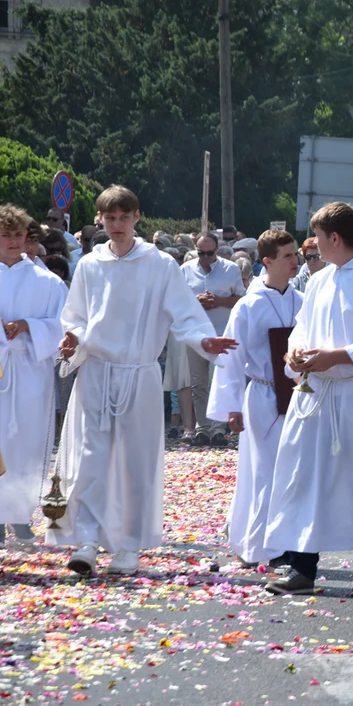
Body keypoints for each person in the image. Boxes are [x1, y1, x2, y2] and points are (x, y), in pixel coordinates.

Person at [49, 185, 236, 576]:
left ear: (137, 217)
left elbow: (183, 313)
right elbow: (76, 316)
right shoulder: (89, 264)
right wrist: (73, 340)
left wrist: (204, 339)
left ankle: (128, 545)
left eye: (123, 217)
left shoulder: (159, 264)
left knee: (135, 463)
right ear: (101, 219)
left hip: (139, 374)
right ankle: (87, 539)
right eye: (109, 218)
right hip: (98, 372)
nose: (116, 225)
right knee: (90, 459)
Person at [264, 202, 353, 597]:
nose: (311, 246)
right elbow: (302, 330)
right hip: (317, 395)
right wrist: (294, 354)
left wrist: (337, 356)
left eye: (316, 237)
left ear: (335, 238)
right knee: (306, 479)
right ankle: (302, 567)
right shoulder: (319, 280)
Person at [207, 230, 303, 566]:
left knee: (293, 471)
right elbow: (232, 356)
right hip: (263, 393)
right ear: (268, 261)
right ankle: (263, 547)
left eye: (295, 255)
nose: (295, 261)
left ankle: (287, 542)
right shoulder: (249, 304)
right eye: (288, 256)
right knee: (266, 472)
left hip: (298, 397)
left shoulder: (301, 300)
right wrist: (232, 407)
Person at [0, 205, 67, 548]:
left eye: (17, 235)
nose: (12, 241)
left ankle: (19, 516)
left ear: (26, 237)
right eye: (5, 234)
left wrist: (28, 325)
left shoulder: (47, 281)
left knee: (25, 443)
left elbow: (65, 325)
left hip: (29, 370)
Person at [181, 231, 246, 445]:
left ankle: (218, 428)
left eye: (210, 253)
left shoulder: (230, 269)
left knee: (218, 381)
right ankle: (203, 427)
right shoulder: (185, 270)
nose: (206, 258)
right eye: (201, 253)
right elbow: (178, 301)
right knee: (199, 382)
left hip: (221, 332)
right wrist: (194, 301)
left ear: (217, 250)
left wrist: (218, 301)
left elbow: (241, 300)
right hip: (196, 334)